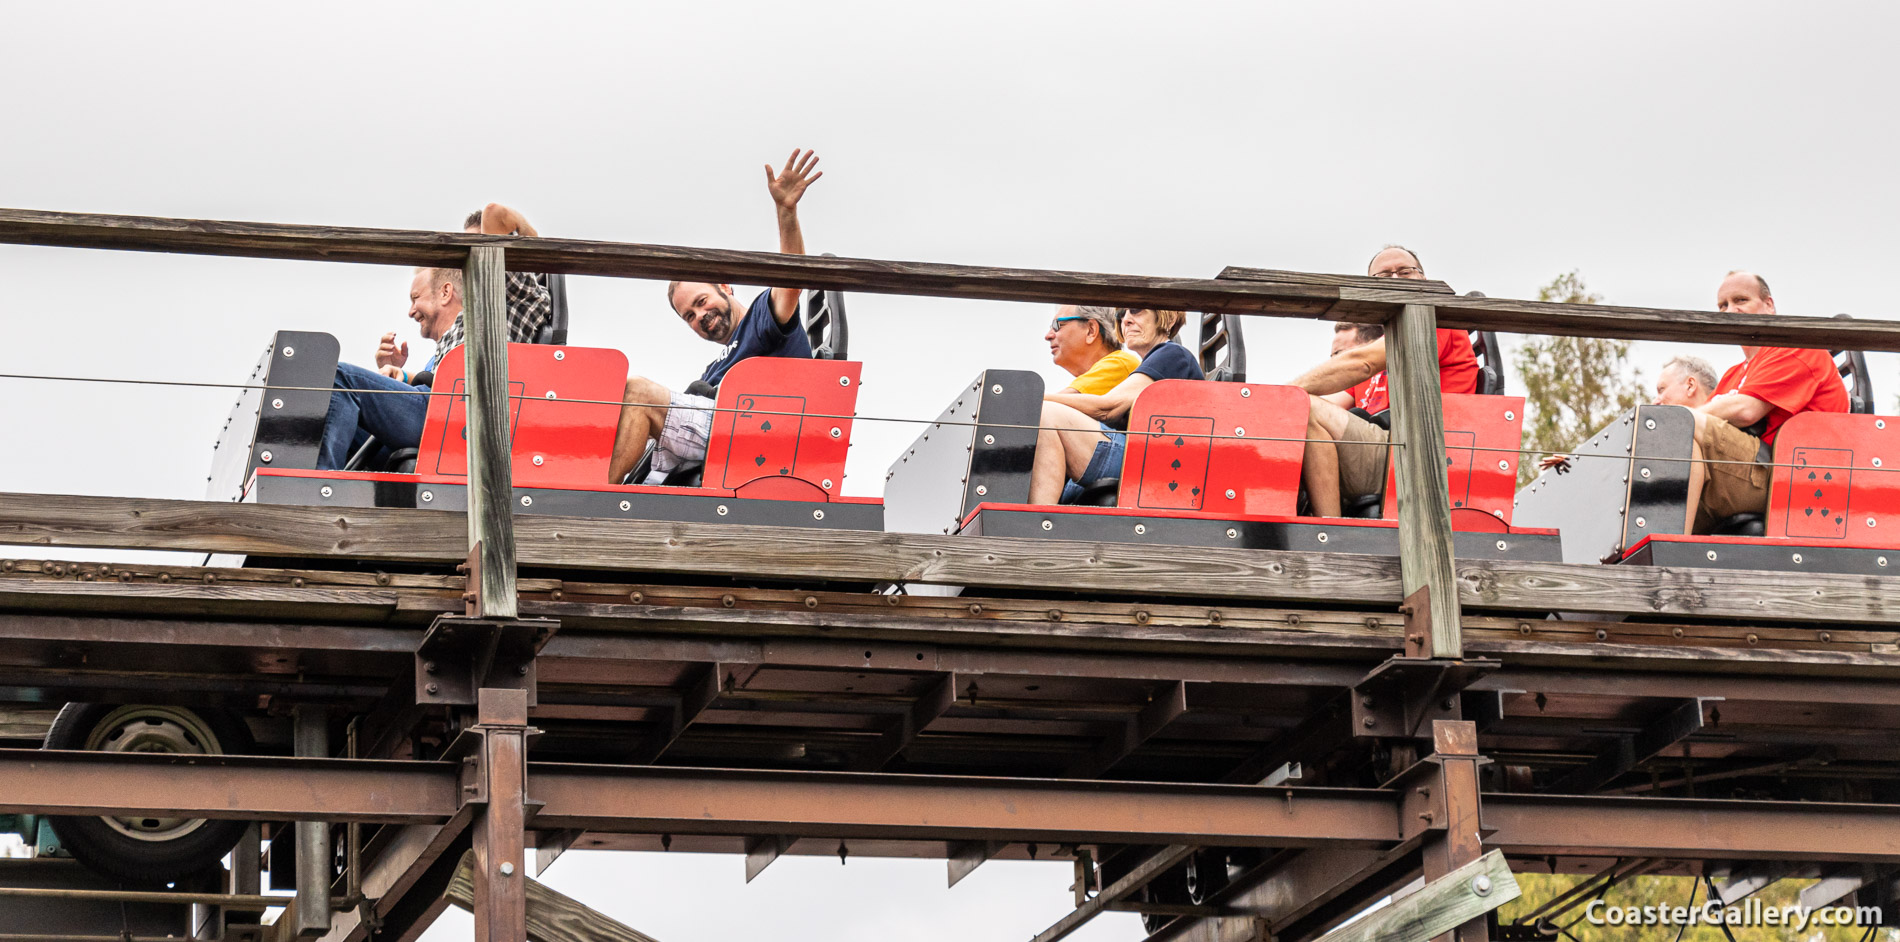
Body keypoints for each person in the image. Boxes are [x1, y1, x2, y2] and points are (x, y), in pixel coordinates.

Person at [608, 149, 824, 484]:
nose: (700, 316)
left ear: (726, 287)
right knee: (607, 411)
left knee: (637, 391)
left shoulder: (763, 318)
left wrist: (786, 211)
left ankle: (596, 498)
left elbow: (792, 283)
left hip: (749, 432)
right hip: (713, 431)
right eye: (689, 316)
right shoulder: (713, 369)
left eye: (702, 301)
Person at [317, 204, 552, 469]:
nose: (465, 262)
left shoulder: (513, 294)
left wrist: (536, 247)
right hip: (444, 408)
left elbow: (495, 213)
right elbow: (442, 379)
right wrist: (404, 377)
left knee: (341, 378)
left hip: (457, 417)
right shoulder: (471, 318)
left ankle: (318, 486)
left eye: (470, 251)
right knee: (330, 415)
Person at [1291, 246, 1478, 516]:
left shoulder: (1434, 321)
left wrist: (1279, 395)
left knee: (1304, 409)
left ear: (1423, 280)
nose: (1395, 280)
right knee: (1296, 412)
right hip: (1391, 452)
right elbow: (1330, 402)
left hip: (1422, 458)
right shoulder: (1382, 352)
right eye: (1383, 276)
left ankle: (1327, 530)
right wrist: (1279, 408)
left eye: (1405, 272)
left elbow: (1361, 362)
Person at [1681, 271, 1848, 533]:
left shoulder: (1796, 345)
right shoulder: (1734, 374)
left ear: (1769, 305)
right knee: (1674, 447)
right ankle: (1660, 547)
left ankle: (1670, 545)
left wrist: (1677, 420)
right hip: (1746, 472)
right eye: (1722, 306)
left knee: (1676, 426)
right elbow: (1710, 417)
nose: (1730, 311)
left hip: (1791, 478)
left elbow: (1746, 410)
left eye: (1741, 300)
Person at [1028, 307, 1203, 504]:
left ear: (1168, 318)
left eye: (1136, 311)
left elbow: (1108, 408)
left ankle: (1039, 519)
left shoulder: (1172, 353)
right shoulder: (1150, 364)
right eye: (1122, 315)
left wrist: (1031, 398)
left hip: (1155, 467)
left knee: (1049, 416)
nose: (1126, 320)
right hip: (1152, 462)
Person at [1048, 305, 1137, 394]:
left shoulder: (1121, 363)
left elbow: (1043, 406)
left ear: (1091, 330)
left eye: (1057, 325)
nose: (1048, 336)